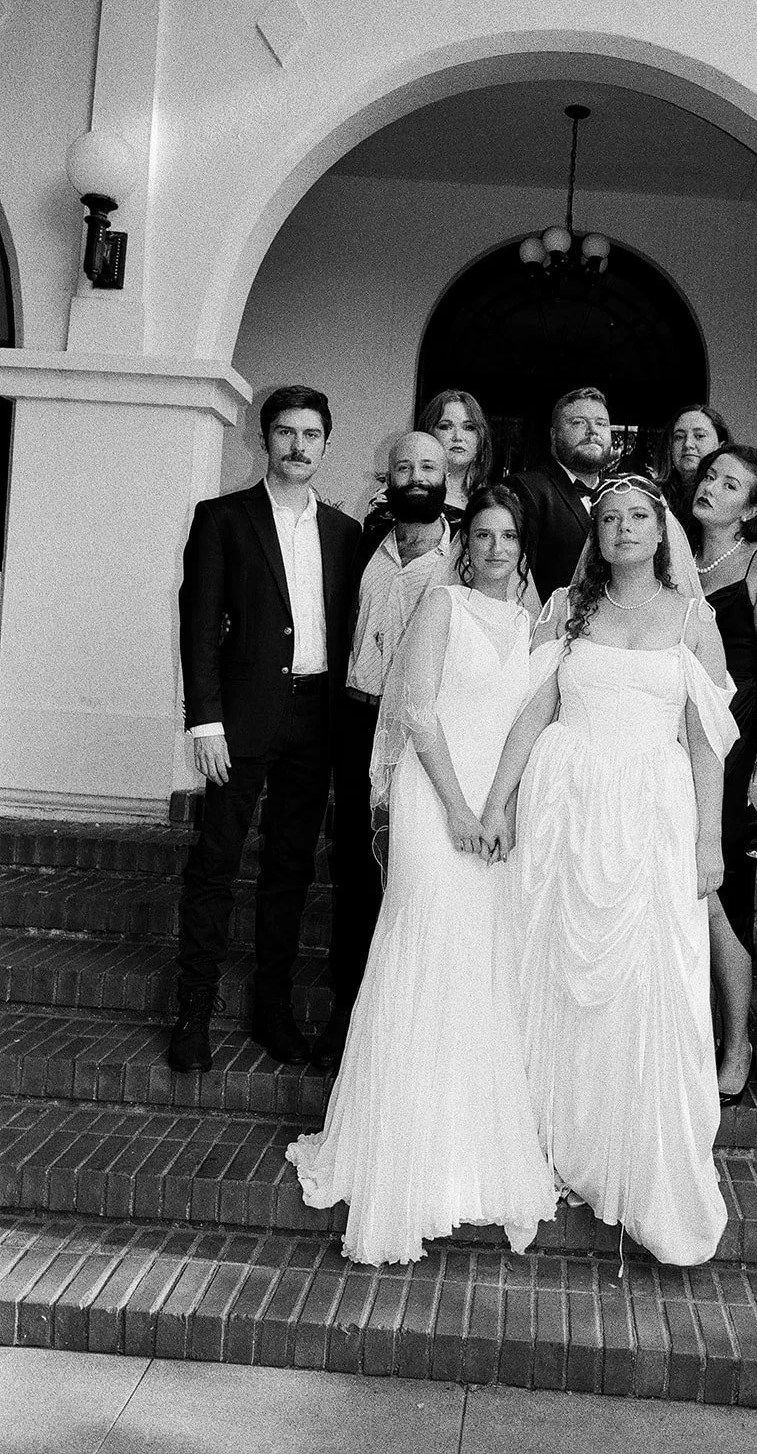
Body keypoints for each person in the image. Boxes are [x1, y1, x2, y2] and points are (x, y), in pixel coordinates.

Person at [287, 486, 555, 1265]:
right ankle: (395, 1151)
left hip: (490, 807)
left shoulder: (538, 631)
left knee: (477, 964)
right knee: (421, 950)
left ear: (523, 547)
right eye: (483, 535)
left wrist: (498, 808)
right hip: (432, 798)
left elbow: (528, 726)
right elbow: (415, 713)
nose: (496, 547)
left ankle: (464, 1150)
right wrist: (460, 811)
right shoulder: (442, 604)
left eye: (509, 536)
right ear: (463, 544)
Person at [480, 474, 739, 1267]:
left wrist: (708, 843)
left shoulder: (695, 619)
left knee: (645, 977)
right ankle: (550, 1133)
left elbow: (703, 741)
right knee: (554, 970)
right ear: (595, 532)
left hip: (654, 820)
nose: (625, 528)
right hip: (566, 814)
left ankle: (634, 1152)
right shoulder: (567, 609)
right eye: (610, 518)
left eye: (639, 517)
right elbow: (528, 713)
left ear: (662, 531)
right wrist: (496, 803)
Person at [168, 386, 361, 1073]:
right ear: (264, 438)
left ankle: (271, 1011)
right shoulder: (222, 518)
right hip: (240, 719)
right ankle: (193, 1009)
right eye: (285, 432)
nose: (298, 445)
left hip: (315, 719)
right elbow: (198, 626)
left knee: (288, 871)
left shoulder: (345, 533)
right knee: (214, 863)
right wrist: (205, 720)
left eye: (311, 433)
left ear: (326, 444)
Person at [319, 430, 455, 1071]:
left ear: (450, 471)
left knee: (411, 873)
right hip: (354, 720)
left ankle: (405, 1029)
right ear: (389, 476)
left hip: (422, 737)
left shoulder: (467, 557)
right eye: (406, 466)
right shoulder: (362, 543)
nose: (418, 475)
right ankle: (347, 1015)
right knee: (354, 868)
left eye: (430, 464)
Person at [690, 445, 757, 1104]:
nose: (711, 486)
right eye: (709, 475)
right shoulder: (673, 556)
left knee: (719, 896)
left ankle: (736, 1041)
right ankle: (687, 1033)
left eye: (729, 484)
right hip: (670, 748)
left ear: (752, 508)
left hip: (734, 753)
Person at [507, 388, 613, 600]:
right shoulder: (525, 489)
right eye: (578, 422)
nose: (592, 431)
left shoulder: (622, 492)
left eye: (601, 423)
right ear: (554, 436)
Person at [654, 404, 732, 546]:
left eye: (699, 436)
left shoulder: (735, 498)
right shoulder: (654, 497)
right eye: (679, 437)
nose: (688, 444)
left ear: (721, 446)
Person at [417, 389, 494, 522]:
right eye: (446, 427)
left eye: (469, 428)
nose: (458, 437)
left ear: (480, 438)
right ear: (428, 433)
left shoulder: (492, 502)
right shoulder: (399, 497)